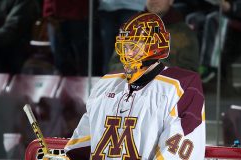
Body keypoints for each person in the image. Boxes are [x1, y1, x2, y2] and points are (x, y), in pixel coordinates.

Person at [64, 13, 205, 159]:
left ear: (155, 45)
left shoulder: (181, 86)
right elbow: (81, 147)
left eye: (134, 46)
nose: (127, 52)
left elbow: (176, 152)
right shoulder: (105, 85)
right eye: (124, 46)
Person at [108, 0, 200, 73]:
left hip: (168, 92)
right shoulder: (131, 28)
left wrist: (157, 69)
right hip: (130, 90)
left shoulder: (184, 33)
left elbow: (190, 71)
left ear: (171, 1)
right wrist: (136, 67)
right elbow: (114, 65)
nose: (154, 1)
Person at [98, 0, 147, 74]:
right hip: (107, 6)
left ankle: (132, 78)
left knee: (131, 48)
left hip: (133, 6)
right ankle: (108, 79)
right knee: (108, 50)